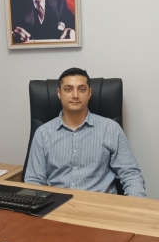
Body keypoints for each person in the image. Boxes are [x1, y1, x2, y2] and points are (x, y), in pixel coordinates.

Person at [25, 68, 146, 197]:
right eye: (68, 89)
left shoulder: (111, 129)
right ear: (59, 93)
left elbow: (131, 175)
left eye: (82, 89)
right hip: (57, 204)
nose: (75, 95)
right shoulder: (43, 133)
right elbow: (34, 181)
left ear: (89, 93)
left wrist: (137, 205)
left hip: (99, 204)